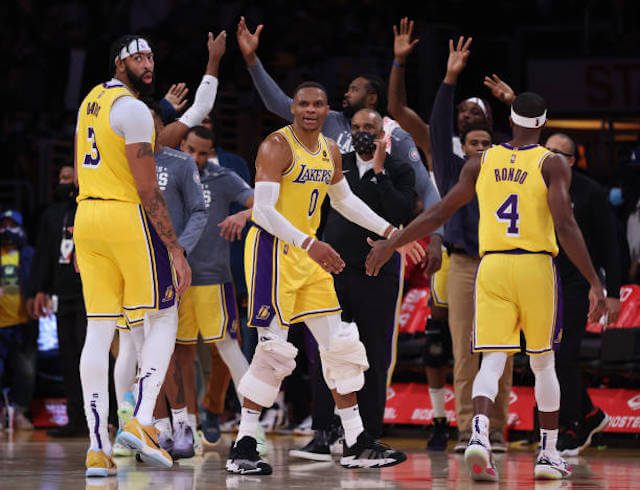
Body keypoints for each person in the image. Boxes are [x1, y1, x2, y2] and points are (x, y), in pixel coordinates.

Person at [366, 92, 608, 481]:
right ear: (543, 124)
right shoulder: (550, 163)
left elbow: (440, 212)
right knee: (544, 362)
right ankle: (548, 454)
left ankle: (478, 432)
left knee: (491, 359)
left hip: (491, 266)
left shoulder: (481, 161)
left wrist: (392, 243)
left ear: (509, 121)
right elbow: (565, 225)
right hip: (534, 266)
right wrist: (594, 281)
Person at [225, 81, 408, 475]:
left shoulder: (330, 150)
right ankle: (243, 446)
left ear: (328, 110)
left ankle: (356, 441)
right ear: (293, 108)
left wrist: (391, 232)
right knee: (274, 352)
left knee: (340, 346)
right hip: (272, 253)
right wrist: (310, 243)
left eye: (318, 104)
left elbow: (344, 200)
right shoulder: (276, 146)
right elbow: (264, 212)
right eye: (304, 104)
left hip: (308, 256)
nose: (310, 110)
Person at [389, 25, 513, 453]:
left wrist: (514, 102)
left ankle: (496, 430)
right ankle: (464, 429)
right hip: (460, 263)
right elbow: (435, 122)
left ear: (493, 136)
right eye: (465, 120)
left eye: (482, 131)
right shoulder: (448, 159)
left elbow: (529, 136)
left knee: (500, 353)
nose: (473, 134)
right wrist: (448, 78)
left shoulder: (506, 164)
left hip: (500, 264)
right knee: (459, 351)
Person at [74, 34, 191, 477]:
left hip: (87, 216)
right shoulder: (134, 109)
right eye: (138, 57)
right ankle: (142, 420)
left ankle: (97, 448)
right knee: (164, 314)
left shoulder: (90, 101)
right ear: (119, 63)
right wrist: (175, 247)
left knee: (99, 329)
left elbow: (82, 171)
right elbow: (147, 188)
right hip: (125, 217)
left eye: (151, 56)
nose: (148, 63)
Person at [290, 108, 430, 461]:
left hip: (377, 274)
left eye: (369, 127)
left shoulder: (399, 168)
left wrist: (380, 171)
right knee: (329, 349)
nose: (362, 132)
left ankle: (367, 436)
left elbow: (400, 213)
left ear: (383, 133)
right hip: (334, 270)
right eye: (356, 127)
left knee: (373, 353)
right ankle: (323, 433)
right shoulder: (338, 164)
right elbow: (320, 212)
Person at [235, 17, 440, 253]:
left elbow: (426, 189)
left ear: (372, 98)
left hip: (377, 232)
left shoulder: (394, 134)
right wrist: (252, 60)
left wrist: (436, 236)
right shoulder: (328, 120)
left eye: (354, 89)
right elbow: (277, 103)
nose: (346, 94)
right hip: (327, 230)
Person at [111, 104, 208, 459]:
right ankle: (148, 425)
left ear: (161, 127)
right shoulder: (119, 162)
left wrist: (180, 249)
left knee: (163, 349)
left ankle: (181, 426)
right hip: (127, 261)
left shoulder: (180, 163)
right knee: (135, 348)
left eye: (150, 122)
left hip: (165, 262)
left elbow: (199, 211)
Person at [153, 125, 254, 458]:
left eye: (203, 153)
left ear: (211, 153)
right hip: (173, 278)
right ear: (180, 144)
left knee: (227, 348)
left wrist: (244, 214)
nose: (196, 158)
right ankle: (188, 429)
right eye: (191, 150)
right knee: (179, 355)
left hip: (212, 277)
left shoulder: (222, 177)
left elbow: (264, 204)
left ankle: (253, 427)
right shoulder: (166, 173)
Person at [544, 133, 621, 455]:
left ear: (573, 161)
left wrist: (610, 292)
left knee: (564, 355)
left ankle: (572, 424)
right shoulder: (533, 187)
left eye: (558, 153)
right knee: (545, 357)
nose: (550, 157)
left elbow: (611, 245)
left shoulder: (591, 192)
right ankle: (588, 415)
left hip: (577, 285)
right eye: (546, 150)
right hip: (541, 282)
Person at [29, 165, 88, 437]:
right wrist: (39, 289)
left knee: (90, 356)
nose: (64, 182)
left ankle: (104, 416)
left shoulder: (89, 208)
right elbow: (43, 254)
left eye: (69, 177)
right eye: (61, 178)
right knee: (68, 357)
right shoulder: (51, 214)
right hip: (62, 295)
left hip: (89, 294)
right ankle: (75, 419)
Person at [0, 209, 36, 431]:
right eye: (3, 225)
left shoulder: (29, 254)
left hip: (23, 324)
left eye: (11, 225)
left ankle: (19, 412)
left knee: (27, 372)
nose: (6, 230)